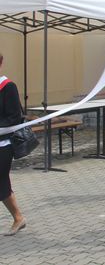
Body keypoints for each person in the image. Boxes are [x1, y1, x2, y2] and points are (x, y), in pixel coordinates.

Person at [0, 53, 26, 236]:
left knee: (1, 182)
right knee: (2, 184)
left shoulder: (8, 87)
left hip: (4, 145)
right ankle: (18, 218)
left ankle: (18, 217)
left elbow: (14, 118)